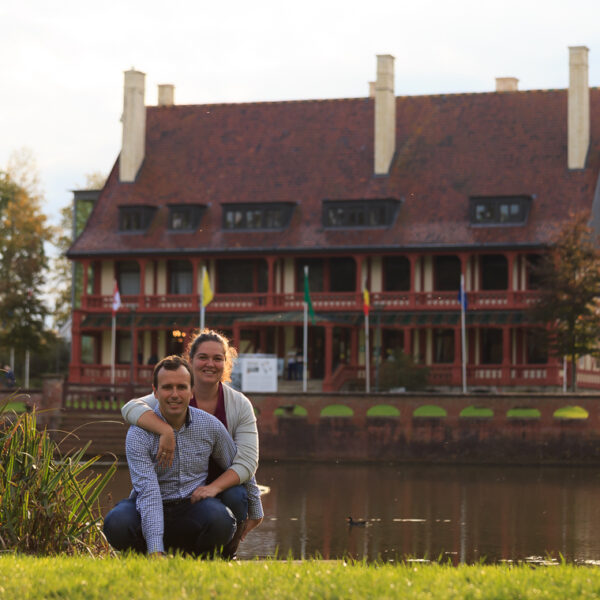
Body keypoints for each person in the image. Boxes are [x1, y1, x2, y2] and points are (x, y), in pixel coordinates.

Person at [117, 329, 263, 555]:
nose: (210, 364)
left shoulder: (238, 405)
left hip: (217, 487)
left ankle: (222, 555)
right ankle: (152, 555)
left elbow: (245, 462)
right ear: (190, 361)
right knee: (120, 520)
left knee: (236, 497)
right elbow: (130, 408)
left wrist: (253, 507)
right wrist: (166, 430)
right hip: (170, 488)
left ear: (226, 363)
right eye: (203, 357)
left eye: (218, 358)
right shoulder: (173, 393)